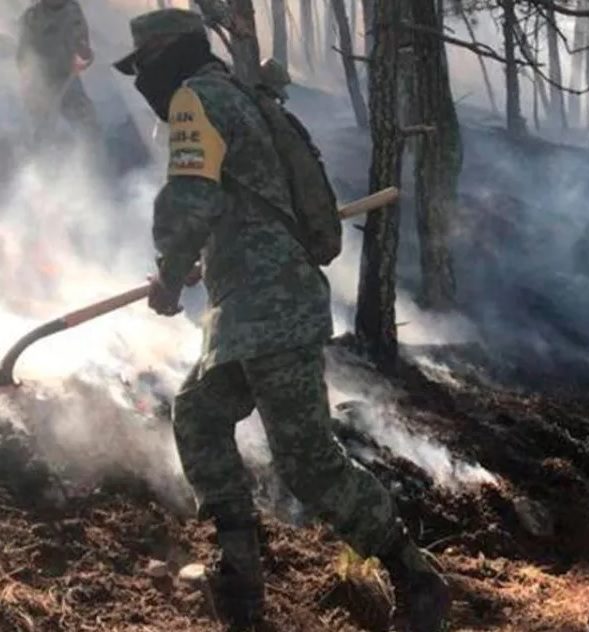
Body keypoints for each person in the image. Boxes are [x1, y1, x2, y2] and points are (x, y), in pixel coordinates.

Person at [113, 9, 450, 631]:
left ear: (168, 56)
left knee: (308, 462)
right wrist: (203, 259)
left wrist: (169, 270)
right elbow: (240, 201)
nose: (143, 83)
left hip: (267, 310)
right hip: (253, 309)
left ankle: (417, 578)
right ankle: (238, 574)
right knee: (200, 414)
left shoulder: (194, 100)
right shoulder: (236, 96)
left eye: (144, 68)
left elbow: (191, 197)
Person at [16, 0, 100, 146]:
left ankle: (94, 155)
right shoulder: (31, 18)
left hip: (68, 76)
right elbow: (23, 55)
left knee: (87, 122)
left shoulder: (73, 10)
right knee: (42, 128)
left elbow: (81, 41)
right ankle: (43, 161)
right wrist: (30, 82)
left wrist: (83, 53)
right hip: (42, 82)